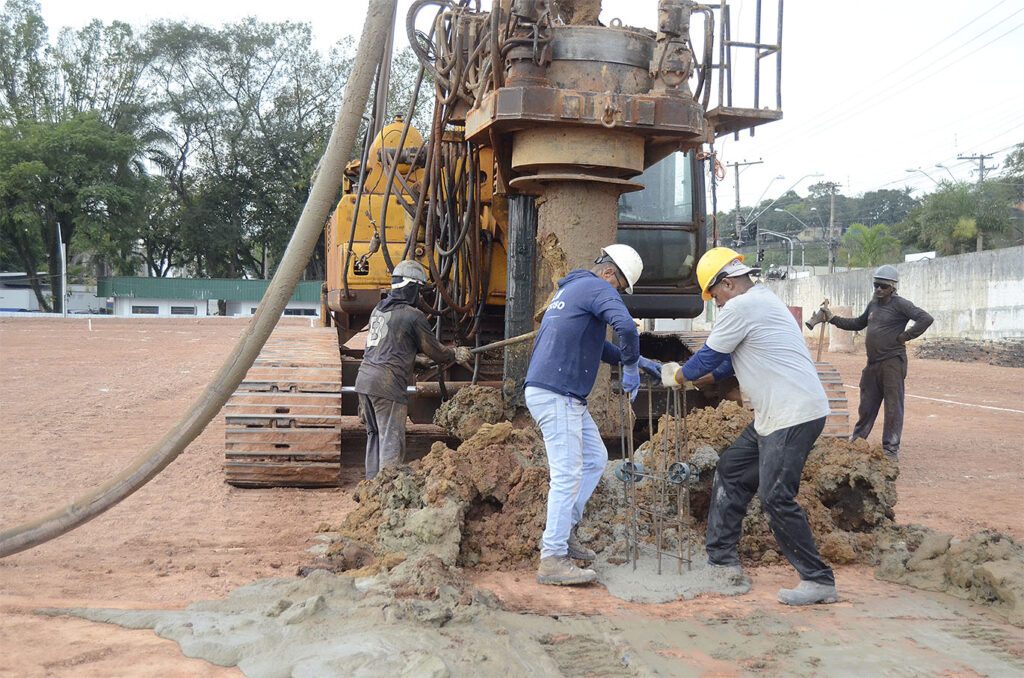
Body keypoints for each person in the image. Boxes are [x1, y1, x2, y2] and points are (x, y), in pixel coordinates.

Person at [661, 247, 838, 606]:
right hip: (776, 415)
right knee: (734, 469)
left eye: (715, 297)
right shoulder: (764, 302)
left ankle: (818, 580)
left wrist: (678, 375)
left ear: (727, 284)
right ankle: (722, 558)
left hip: (792, 415)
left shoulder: (742, 307)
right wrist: (696, 381)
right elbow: (729, 366)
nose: (718, 305)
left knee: (775, 497)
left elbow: (710, 356)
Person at [524, 244, 662, 586]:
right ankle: (552, 557)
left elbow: (598, 345)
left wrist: (637, 362)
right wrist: (631, 363)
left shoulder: (572, 289)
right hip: (559, 394)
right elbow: (627, 328)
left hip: (554, 391)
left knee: (594, 459)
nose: (615, 294)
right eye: (619, 288)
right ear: (609, 273)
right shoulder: (598, 286)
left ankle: (564, 530)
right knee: (567, 474)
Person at [354, 260, 471, 480]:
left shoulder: (379, 309)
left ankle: (372, 487)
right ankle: (388, 491)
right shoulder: (413, 315)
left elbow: (385, 347)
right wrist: (455, 353)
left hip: (365, 381)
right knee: (391, 438)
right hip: (387, 385)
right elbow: (436, 352)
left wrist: (414, 359)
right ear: (412, 288)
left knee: (375, 435)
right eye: (420, 291)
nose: (421, 297)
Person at [823, 264, 933, 461]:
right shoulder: (873, 304)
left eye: (883, 286)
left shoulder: (901, 304)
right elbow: (858, 323)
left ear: (892, 287)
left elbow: (925, 318)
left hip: (892, 363)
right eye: (876, 286)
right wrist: (832, 318)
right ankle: (858, 442)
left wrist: (906, 336)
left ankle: (890, 449)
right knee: (867, 405)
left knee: (893, 407)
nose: (879, 290)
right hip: (873, 364)